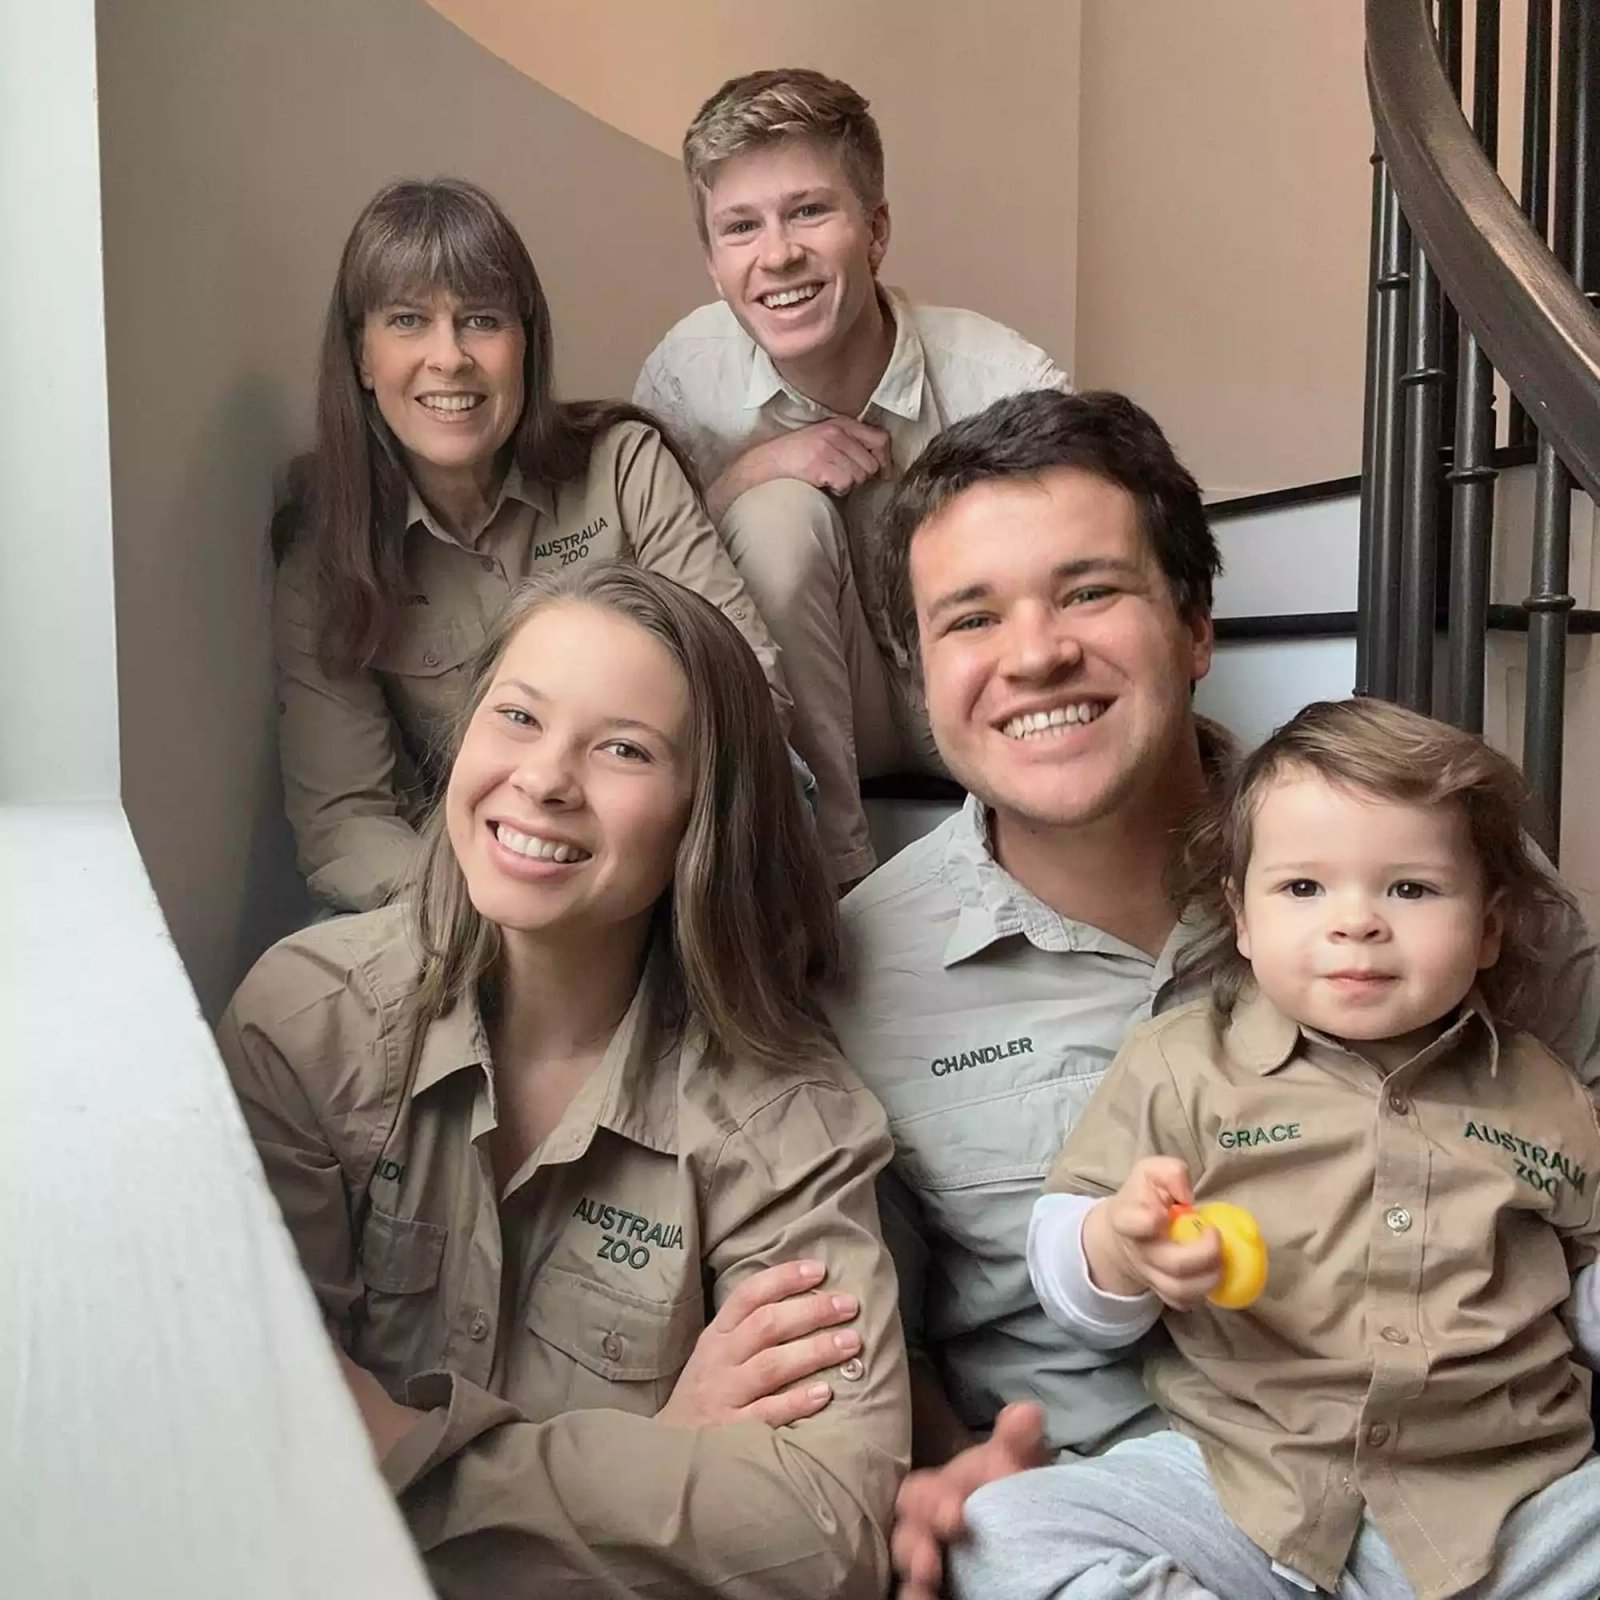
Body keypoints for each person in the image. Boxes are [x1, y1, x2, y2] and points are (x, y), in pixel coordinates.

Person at [817, 388, 1600, 1600]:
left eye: (1088, 591)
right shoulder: (858, 975)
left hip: (1491, 1482)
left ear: (1194, 624)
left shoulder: (1449, 881)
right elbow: (880, 1333)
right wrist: (938, 1468)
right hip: (1166, 1516)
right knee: (1000, 1550)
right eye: (970, 617)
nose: (1034, 654)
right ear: (919, 674)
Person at [219, 563, 908, 1598]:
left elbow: (829, 1529)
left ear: (698, 818)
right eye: (518, 717)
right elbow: (251, 1454)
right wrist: (659, 1450)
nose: (544, 778)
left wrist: (402, 1444)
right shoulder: (307, 1022)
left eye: (623, 748)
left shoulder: (790, 1120)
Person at [951, 697, 1600, 1600]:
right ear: (1243, 919)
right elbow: (1067, 1265)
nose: (1357, 923)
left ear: (1488, 927)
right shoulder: (1183, 1065)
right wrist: (1117, 1248)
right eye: (1304, 889)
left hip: (1511, 1496)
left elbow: (1587, 1281)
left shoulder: (1545, 1091)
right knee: (1003, 1533)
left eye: (1410, 888)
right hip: (1249, 1487)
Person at [274, 176, 789, 913]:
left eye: (481, 320)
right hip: (468, 898)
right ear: (362, 356)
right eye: (410, 321)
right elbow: (346, 825)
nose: (449, 358)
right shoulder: (327, 555)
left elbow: (752, 699)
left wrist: (627, 878)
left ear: (526, 342)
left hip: (663, 870)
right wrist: (498, 903)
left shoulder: (622, 466)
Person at [635, 68, 1071, 884]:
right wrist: (753, 470)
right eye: (740, 227)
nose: (777, 255)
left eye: (808, 210)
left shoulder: (1001, 377)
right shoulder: (683, 379)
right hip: (821, 707)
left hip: (983, 685)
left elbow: (1090, 575)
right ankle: (830, 882)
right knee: (775, 516)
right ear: (710, 260)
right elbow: (643, 590)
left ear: (874, 230)